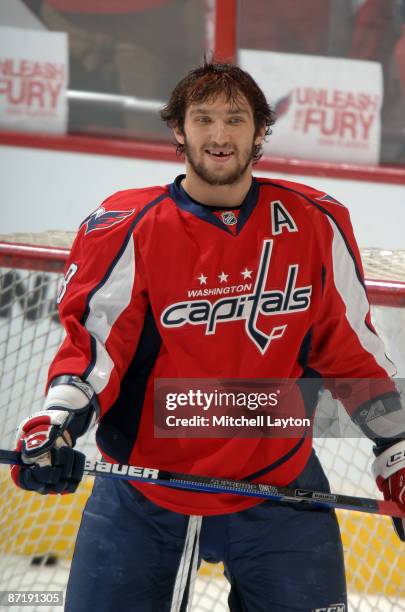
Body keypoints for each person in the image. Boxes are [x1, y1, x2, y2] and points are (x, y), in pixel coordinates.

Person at [10, 62, 405, 612]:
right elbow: (97, 348)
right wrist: (55, 425)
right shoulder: (130, 224)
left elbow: (351, 350)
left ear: (260, 131)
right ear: (179, 129)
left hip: (280, 484)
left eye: (236, 120)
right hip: (147, 488)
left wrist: (398, 450)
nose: (220, 136)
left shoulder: (314, 220)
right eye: (204, 119)